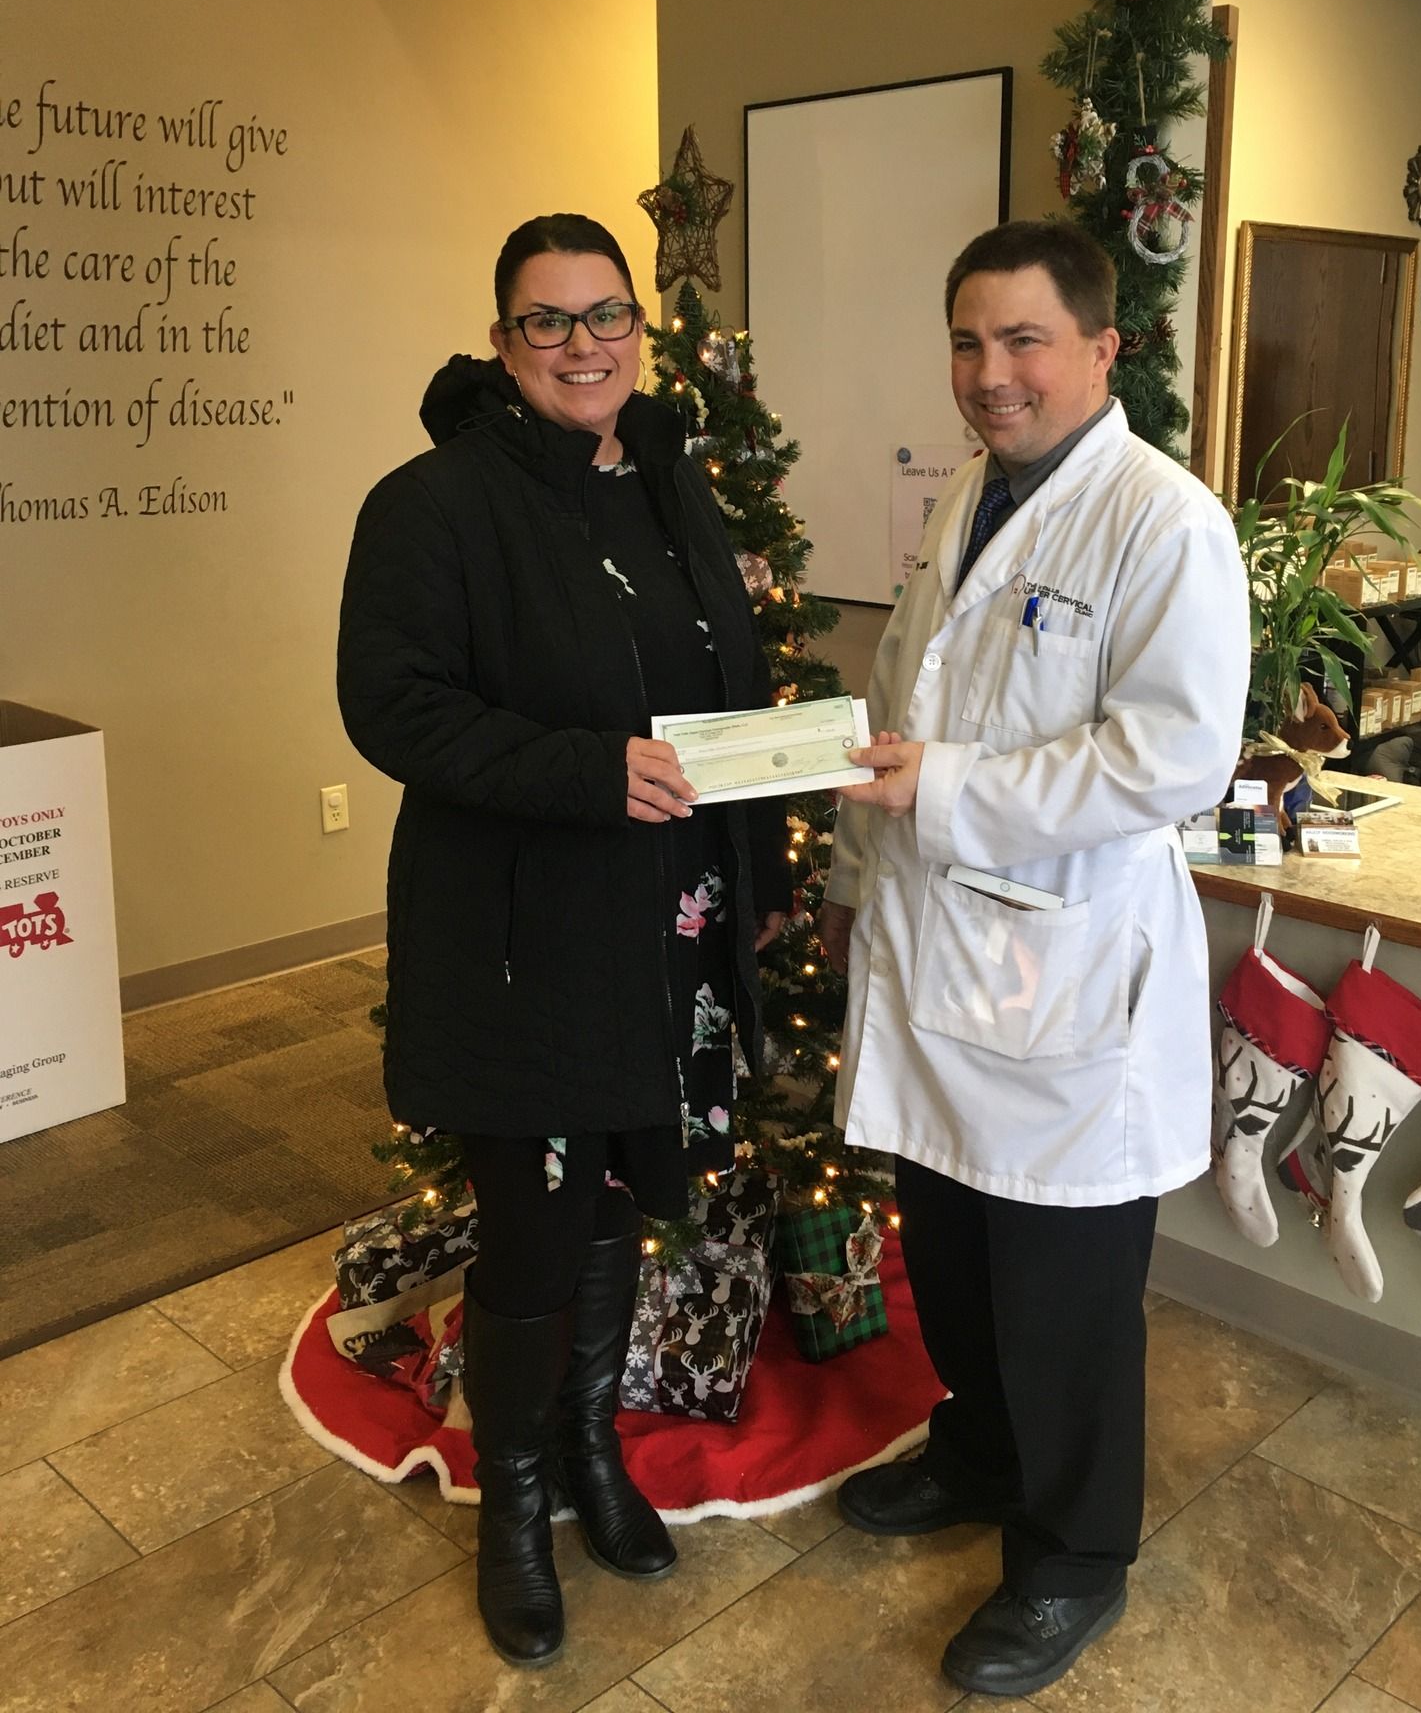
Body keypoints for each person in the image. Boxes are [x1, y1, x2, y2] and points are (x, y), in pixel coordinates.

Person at [338, 213, 787, 1669]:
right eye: (548, 321)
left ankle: (593, 1452)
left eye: (608, 316)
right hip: (522, 933)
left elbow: (731, 674)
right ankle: (514, 1500)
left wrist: (757, 853)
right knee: (535, 1219)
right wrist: (586, 771)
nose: (584, 343)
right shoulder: (434, 503)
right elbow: (393, 708)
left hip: (665, 924)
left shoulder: (667, 481)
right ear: (501, 342)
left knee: (625, 1186)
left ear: (641, 330)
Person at [820, 219, 1249, 1698]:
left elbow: (1172, 759)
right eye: (967, 343)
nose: (990, 375)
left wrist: (938, 793)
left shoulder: (1161, 521)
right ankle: (980, 1454)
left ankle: (1072, 1559)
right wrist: (859, 867)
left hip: (1066, 984)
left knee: (1061, 1292)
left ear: (1101, 348)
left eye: (1022, 342)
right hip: (940, 956)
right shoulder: (970, 501)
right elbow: (901, 689)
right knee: (951, 1251)